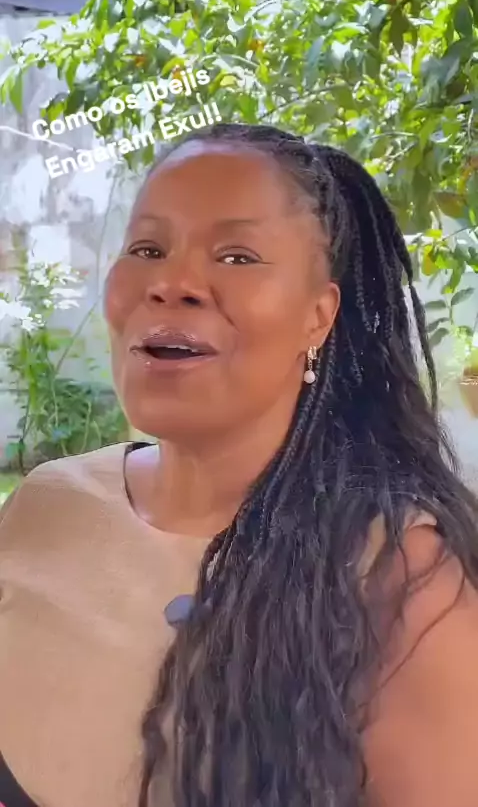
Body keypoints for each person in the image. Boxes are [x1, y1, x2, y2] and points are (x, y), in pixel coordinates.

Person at [1, 122, 478, 807]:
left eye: (237, 256)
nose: (171, 282)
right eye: (147, 248)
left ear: (319, 316)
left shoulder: (402, 579)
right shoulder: (47, 507)